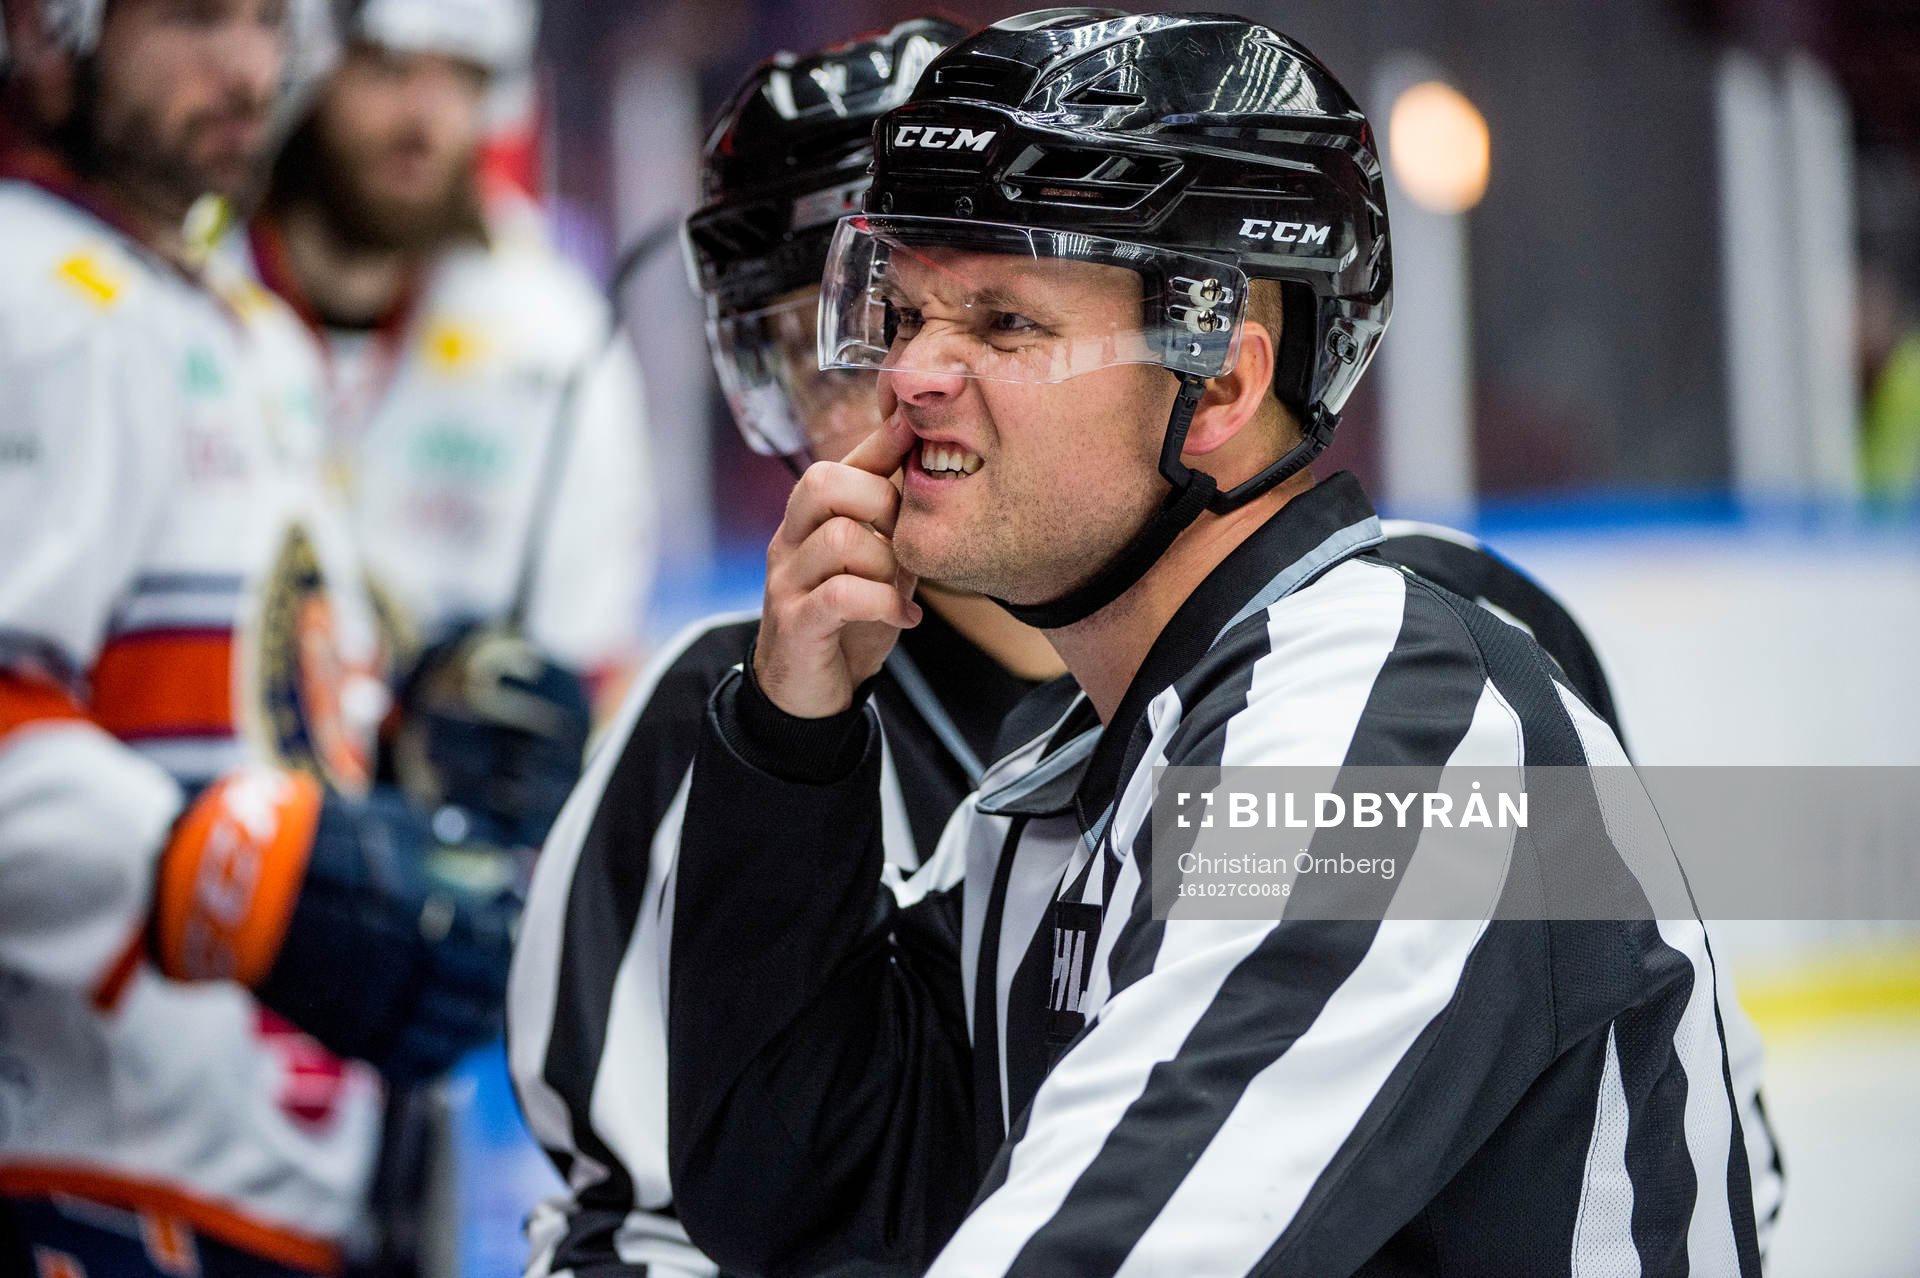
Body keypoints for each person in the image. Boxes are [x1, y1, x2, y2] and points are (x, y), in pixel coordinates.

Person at [644, 11, 1772, 1276]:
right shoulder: (1068, 783)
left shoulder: (1397, 741)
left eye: (1006, 322)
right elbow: (808, 1198)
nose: (909, 375)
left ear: (1222, 389)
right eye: (905, 315)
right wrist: (792, 748)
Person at [503, 20, 1075, 1276]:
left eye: (965, 314)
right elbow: (634, 1231)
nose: (900, 389)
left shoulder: (1384, 659)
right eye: (821, 345)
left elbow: (1591, 1003)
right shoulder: (712, 721)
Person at [0, 2, 517, 1273]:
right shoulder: (25, 292)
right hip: (78, 1182)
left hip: (273, 1186)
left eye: (268, 20)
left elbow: (252, 698)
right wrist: (236, 874)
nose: (246, 68)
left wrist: (414, 734)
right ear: (44, 27)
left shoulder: (240, 325)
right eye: (192, 15)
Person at [242, 0, 654, 714]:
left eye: (464, 76)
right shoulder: (187, 290)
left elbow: (596, 670)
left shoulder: (557, 340)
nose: (425, 118)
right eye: (389, 68)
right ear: (303, 66)